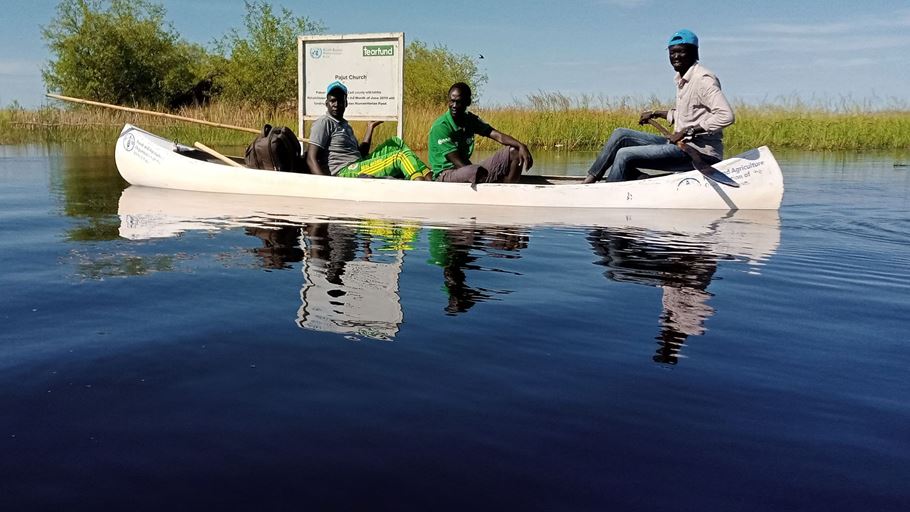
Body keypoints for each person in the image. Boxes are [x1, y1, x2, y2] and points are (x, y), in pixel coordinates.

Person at [583, 29, 734, 183]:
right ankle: (590, 181)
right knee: (621, 135)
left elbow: (725, 115)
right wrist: (655, 114)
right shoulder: (682, 79)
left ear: (694, 53)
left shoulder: (703, 79)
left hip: (699, 153)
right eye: (672, 53)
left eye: (681, 52)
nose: (675, 57)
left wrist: (688, 131)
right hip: (679, 145)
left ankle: (607, 194)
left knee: (624, 155)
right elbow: (688, 114)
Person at [306, 81, 430, 180]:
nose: (336, 104)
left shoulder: (345, 125)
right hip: (345, 171)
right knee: (400, 157)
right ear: (326, 103)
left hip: (358, 162)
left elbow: (361, 153)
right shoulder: (324, 122)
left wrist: (370, 128)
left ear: (346, 103)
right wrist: (326, 185)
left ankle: (429, 176)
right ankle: (420, 186)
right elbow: (311, 158)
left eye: (340, 101)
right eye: (333, 100)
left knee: (396, 143)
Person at [428, 82, 533, 184]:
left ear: (467, 102)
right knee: (473, 171)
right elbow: (457, 162)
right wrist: (481, 172)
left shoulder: (470, 119)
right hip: (445, 174)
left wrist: (521, 145)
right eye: (452, 101)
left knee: (514, 152)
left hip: (467, 170)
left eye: (459, 102)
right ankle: (492, 186)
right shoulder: (441, 126)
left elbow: (496, 135)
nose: (454, 105)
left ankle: (508, 192)